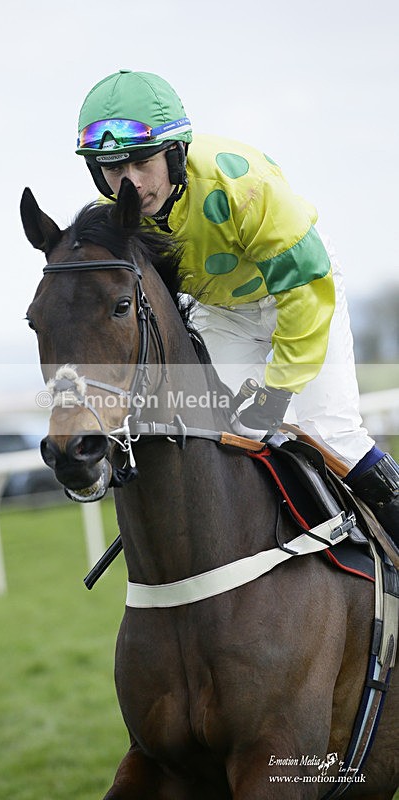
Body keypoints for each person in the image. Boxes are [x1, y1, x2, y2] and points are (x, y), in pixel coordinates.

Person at [75, 68, 399, 545]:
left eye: (142, 163)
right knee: (224, 436)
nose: (130, 184)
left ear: (175, 152)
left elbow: (305, 293)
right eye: (112, 169)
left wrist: (277, 393)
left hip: (298, 291)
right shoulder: (115, 217)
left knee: (330, 433)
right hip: (221, 311)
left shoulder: (242, 184)